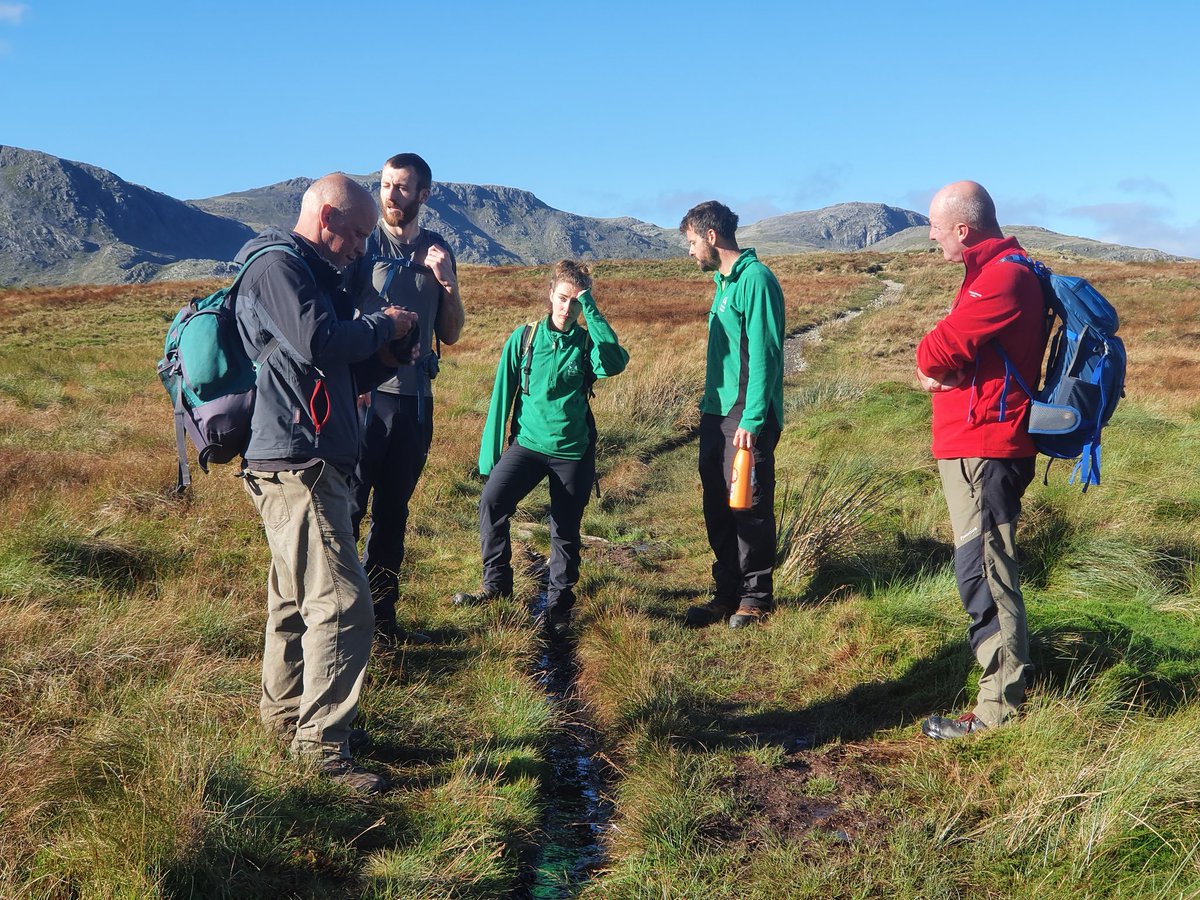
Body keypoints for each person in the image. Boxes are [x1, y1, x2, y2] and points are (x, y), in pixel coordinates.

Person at [234, 173, 418, 793]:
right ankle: (322, 753)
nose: (364, 246)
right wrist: (382, 326)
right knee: (340, 604)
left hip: (310, 461)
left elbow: (342, 361)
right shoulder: (276, 268)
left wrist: (390, 351)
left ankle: (286, 722)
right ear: (328, 217)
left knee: (292, 603)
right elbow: (317, 342)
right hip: (298, 463)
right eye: (360, 233)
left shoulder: (317, 274)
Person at [916, 180, 1048, 739]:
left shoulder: (1002, 277)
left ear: (963, 229)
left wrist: (935, 367)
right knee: (981, 567)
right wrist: (942, 365)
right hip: (974, 444)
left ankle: (997, 711)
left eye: (936, 227)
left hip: (986, 447)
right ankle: (1001, 690)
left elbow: (934, 351)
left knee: (986, 572)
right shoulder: (991, 273)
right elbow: (947, 354)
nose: (930, 235)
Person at [452, 260, 628, 639]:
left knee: (564, 529)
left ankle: (558, 607)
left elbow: (615, 361)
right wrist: (489, 458)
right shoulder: (525, 339)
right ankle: (496, 587)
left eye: (576, 302)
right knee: (491, 503)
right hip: (527, 447)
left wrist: (591, 307)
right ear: (550, 295)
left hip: (573, 452)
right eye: (563, 299)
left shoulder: (586, 344)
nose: (568, 308)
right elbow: (502, 397)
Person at [345, 153, 466, 642]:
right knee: (349, 509)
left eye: (401, 188)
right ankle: (341, 622)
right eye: (385, 185)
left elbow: (452, 332)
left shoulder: (439, 248)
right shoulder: (364, 243)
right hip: (365, 399)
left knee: (394, 513)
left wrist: (448, 284)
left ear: (423, 194)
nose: (391, 196)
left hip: (416, 403)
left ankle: (383, 622)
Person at [679, 201, 785, 629]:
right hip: (716, 412)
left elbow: (765, 354)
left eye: (690, 242)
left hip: (745, 413)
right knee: (717, 504)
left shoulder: (755, 280)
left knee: (748, 503)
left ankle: (756, 598)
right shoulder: (723, 284)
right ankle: (727, 593)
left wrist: (753, 418)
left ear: (710, 236)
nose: (689, 252)